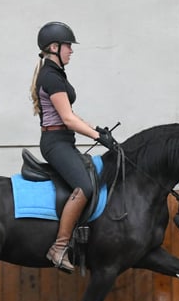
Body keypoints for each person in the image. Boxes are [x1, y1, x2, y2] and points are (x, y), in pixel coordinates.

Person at [29, 21, 118, 273]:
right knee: (85, 186)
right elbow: (67, 119)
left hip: (63, 140)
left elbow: (70, 115)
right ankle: (59, 247)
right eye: (68, 46)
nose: (71, 50)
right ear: (54, 47)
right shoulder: (50, 77)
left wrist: (96, 130)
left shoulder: (56, 74)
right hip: (55, 143)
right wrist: (97, 138)